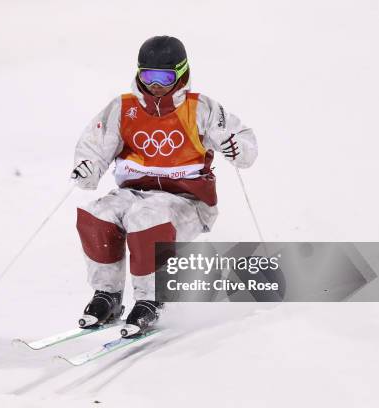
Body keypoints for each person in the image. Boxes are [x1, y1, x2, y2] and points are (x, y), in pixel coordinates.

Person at [71, 36, 258, 337]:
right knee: (99, 214)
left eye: (165, 77)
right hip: (133, 193)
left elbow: (246, 145)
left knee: (145, 216)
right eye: (148, 76)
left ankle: (152, 299)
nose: (156, 85)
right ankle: (107, 295)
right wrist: (88, 167)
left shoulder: (201, 108)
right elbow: (95, 145)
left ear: (181, 74)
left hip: (187, 201)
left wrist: (235, 147)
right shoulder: (124, 108)